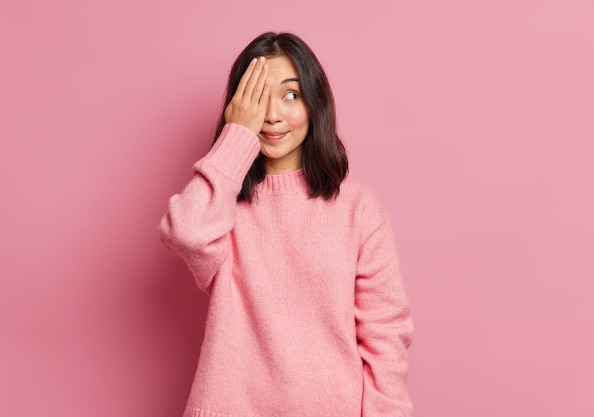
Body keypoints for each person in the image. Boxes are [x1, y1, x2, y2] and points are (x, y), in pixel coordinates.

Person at [159, 32, 413, 417]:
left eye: (291, 95)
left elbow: (385, 336)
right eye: (258, 99)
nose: (273, 115)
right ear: (237, 109)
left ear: (315, 103)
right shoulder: (222, 207)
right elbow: (185, 233)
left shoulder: (358, 208)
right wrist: (236, 138)